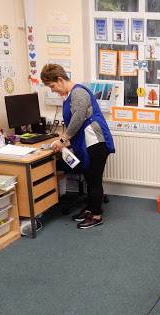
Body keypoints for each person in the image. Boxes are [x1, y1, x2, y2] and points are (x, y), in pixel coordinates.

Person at [40, 64, 115, 229]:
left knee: (94, 180)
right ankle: (90, 208)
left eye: (52, 86)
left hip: (96, 142)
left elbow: (78, 117)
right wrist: (65, 139)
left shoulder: (78, 92)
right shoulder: (69, 95)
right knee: (88, 177)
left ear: (60, 79)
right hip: (86, 143)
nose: (53, 90)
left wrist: (62, 140)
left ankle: (96, 216)